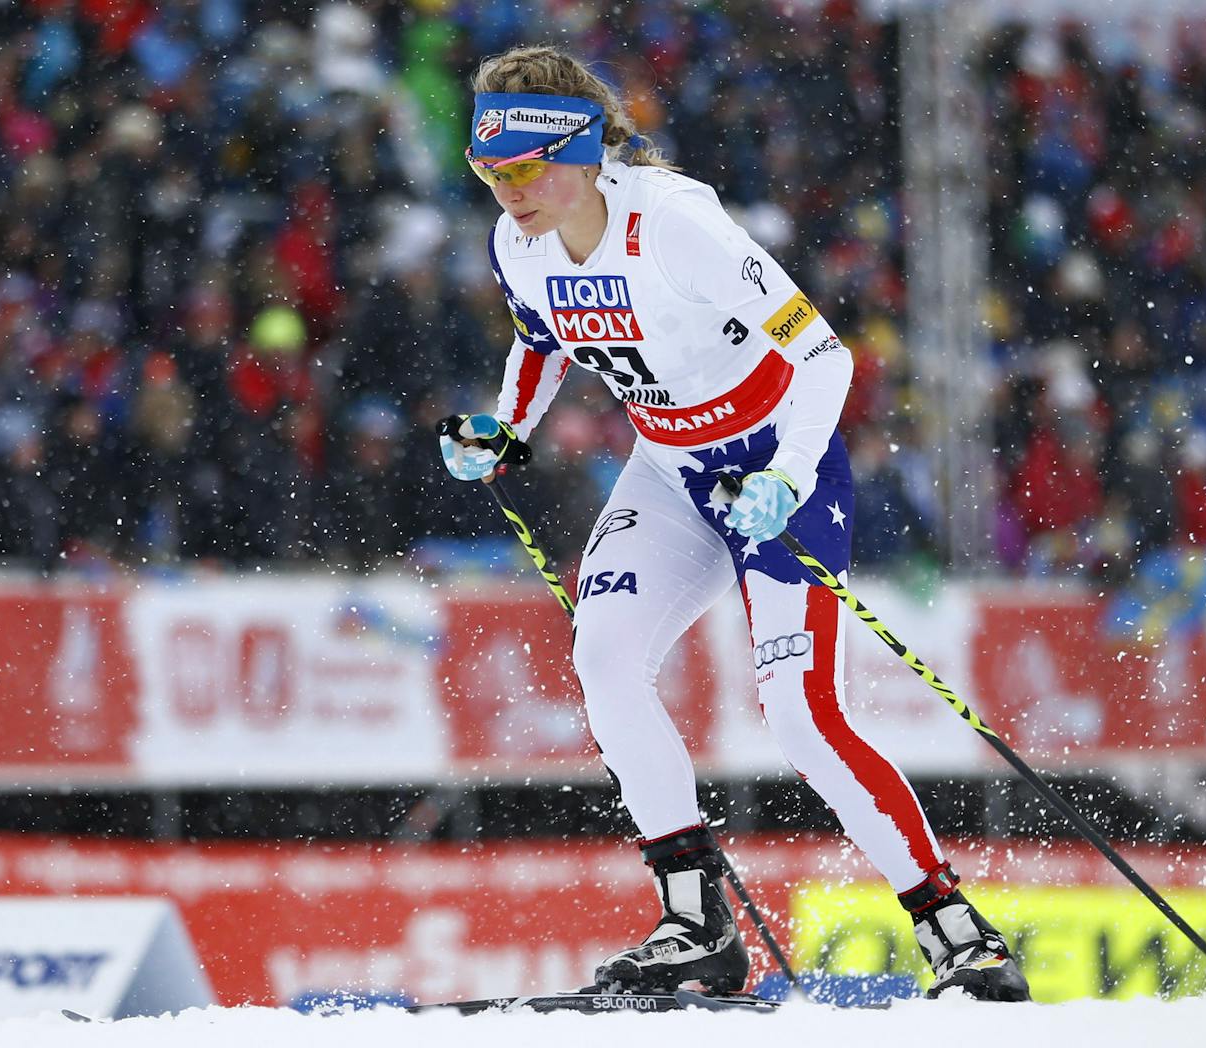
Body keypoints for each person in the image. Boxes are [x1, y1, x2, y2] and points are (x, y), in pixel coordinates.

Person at [438, 45, 1029, 1003]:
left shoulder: (676, 226)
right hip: (670, 472)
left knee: (798, 712)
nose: (507, 190)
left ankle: (954, 930)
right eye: (486, 170)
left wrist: (787, 477)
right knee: (603, 655)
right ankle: (694, 921)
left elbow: (826, 359)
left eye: (524, 167)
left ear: (584, 153)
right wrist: (505, 429)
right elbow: (539, 340)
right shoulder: (521, 244)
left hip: (777, 467)